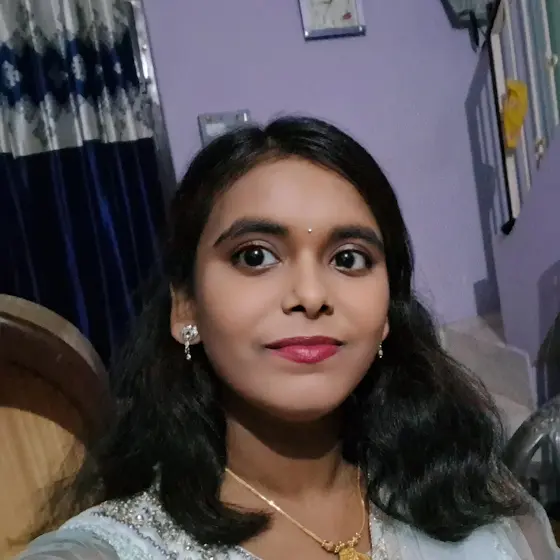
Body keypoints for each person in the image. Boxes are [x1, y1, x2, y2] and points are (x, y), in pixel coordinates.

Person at [17, 116, 559, 560]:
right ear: (186, 307)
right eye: (255, 256)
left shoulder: (470, 496)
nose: (310, 294)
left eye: (349, 259)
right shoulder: (108, 551)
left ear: (386, 315)